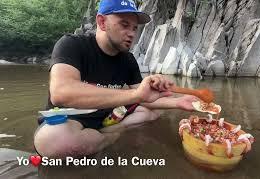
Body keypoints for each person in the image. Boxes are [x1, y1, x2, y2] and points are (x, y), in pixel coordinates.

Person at [34, 0, 199, 159]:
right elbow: (61, 93)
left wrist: (179, 102)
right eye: (124, 25)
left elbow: (146, 98)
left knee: (153, 112)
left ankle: (107, 135)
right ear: (102, 22)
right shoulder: (72, 45)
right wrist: (135, 95)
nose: (132, 33)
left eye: (135, 28)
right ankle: (110, 138)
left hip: (110, 119)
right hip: (71, 120)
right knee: (52, 142)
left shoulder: (128, 59)